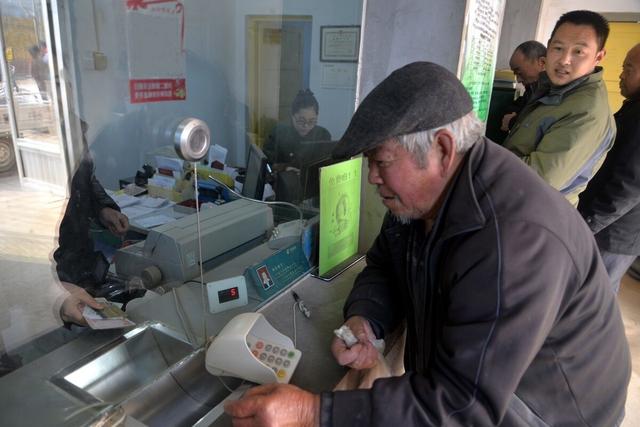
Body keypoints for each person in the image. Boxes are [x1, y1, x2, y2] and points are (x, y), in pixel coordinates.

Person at [224, 62, 631, 426]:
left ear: (442, 149)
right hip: (478, 385)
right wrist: (367, 319)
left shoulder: (515, 241)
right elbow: (385, 264)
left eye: (381, 161)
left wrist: (313, 413)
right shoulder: (422, 198)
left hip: (547, 410)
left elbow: (462, 407)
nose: (372, 177)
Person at [502, 10, 615, 207]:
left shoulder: (586, 112)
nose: (564, 60)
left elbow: (537, 180)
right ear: (548, 48)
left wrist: (481, 158)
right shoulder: (556, 88)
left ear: (598, 56)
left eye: (578, 52)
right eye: (558, 48)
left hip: (533, 211)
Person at [578, 43, 640, 293]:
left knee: (593, 295)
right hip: (609, 227)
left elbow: (629, 185)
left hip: (612, 233)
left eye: (629, 69)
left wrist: (588, 224)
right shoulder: (634, 107)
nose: (621, 75)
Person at [263, 89, 331, 202]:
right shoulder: (279, 133)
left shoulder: (323, 135)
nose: (306, 126)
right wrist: (284, 168)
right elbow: (265, 164)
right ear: (292, 116)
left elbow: (327, 168)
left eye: (312, 121)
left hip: (312, 193)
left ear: (317, 117)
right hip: (282, 191)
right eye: (301, 121)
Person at [500, 40, 546, 132]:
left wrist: (513, 122)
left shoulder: (554, 91)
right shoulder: (532, 88)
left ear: (542, 62)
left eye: (519, 73)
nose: (518, 80)